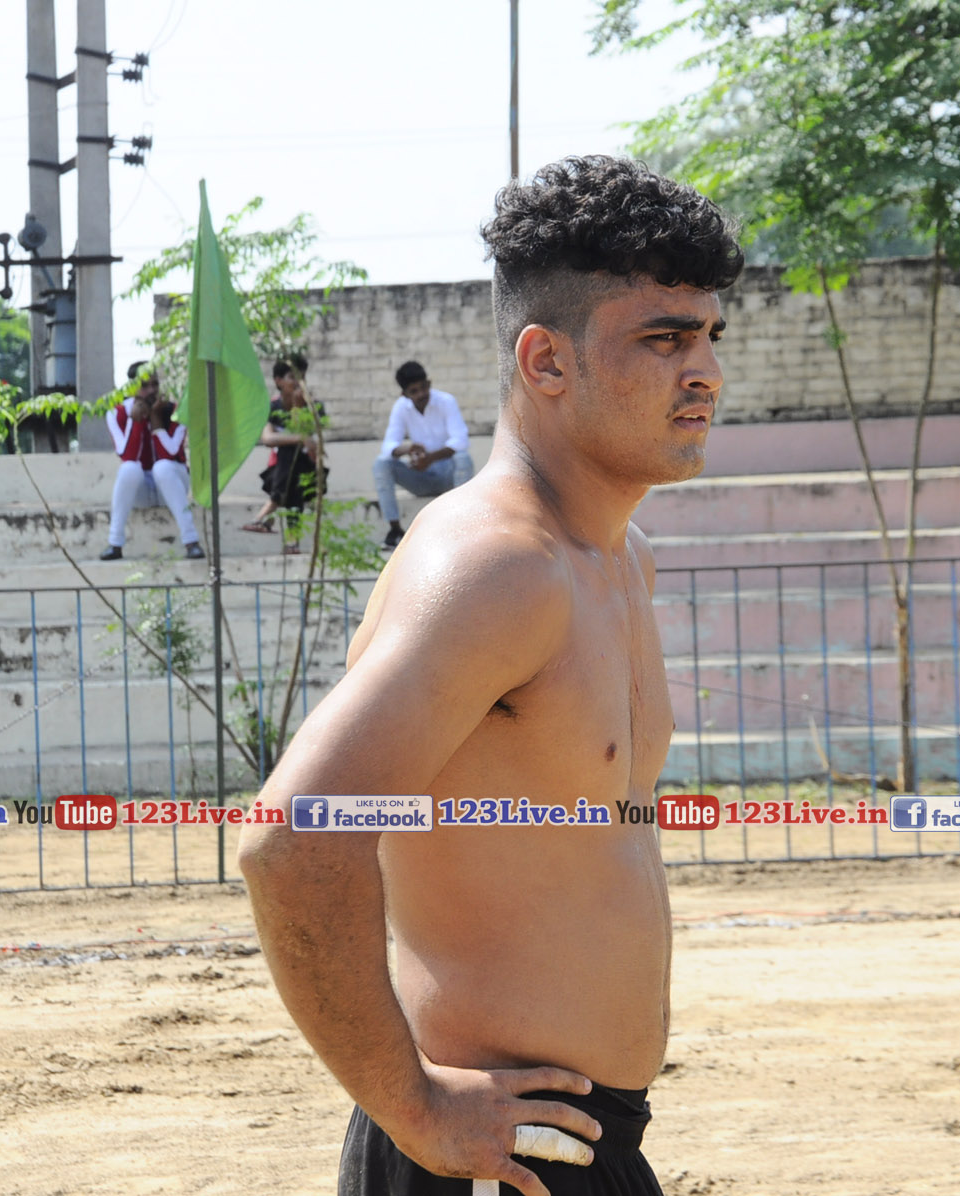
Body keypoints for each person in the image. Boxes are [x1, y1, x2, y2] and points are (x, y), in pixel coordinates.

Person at [238, 155, 743, 1196]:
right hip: (489, 1147)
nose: (704, 371)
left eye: (708, 335)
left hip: (573, 1138)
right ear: (546, 360)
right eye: (663, 339)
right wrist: (415, 1107)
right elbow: (293, 838)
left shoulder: (618, 557)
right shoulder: (497, 566)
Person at [99, 362, 203, 561]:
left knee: (162, 467)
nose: (151, 390)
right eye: (144, 386)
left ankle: (191, 541)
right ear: (132, 388)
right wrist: (136, 421)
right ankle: (115, 543)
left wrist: (155, 418)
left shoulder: (175, 411)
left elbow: (170, 453)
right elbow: (127, 455)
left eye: (155, 384)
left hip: (173, 483)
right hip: (141, 490)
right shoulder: (116, 413)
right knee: (129, 468)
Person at [373, 361, 476, 548]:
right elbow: (388, 446)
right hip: (419, 476)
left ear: (429, 384)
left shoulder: (446, 401)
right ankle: (395, 530)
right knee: (382, 464)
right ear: (405, 394)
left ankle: (462, 525)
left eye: (423, 387)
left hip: (448, 475)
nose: (421, 394)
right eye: (414, 391)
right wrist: (408, 449)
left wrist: (430, 458)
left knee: (463, 459)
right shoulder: (400, 408)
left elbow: (460, 441)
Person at [242, 354, 327, 551]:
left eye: (302, 377)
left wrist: (299, 407)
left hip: (311, 473)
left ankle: (268, 511)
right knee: (290, 457)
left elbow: (314, 440)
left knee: (294, 461)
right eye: (292, 377)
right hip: (278, 474)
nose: (298, 382)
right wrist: (298, 438)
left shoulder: (314, 407)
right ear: (278, 381)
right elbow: (268, 439)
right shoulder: (273, 408)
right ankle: (291, 541)